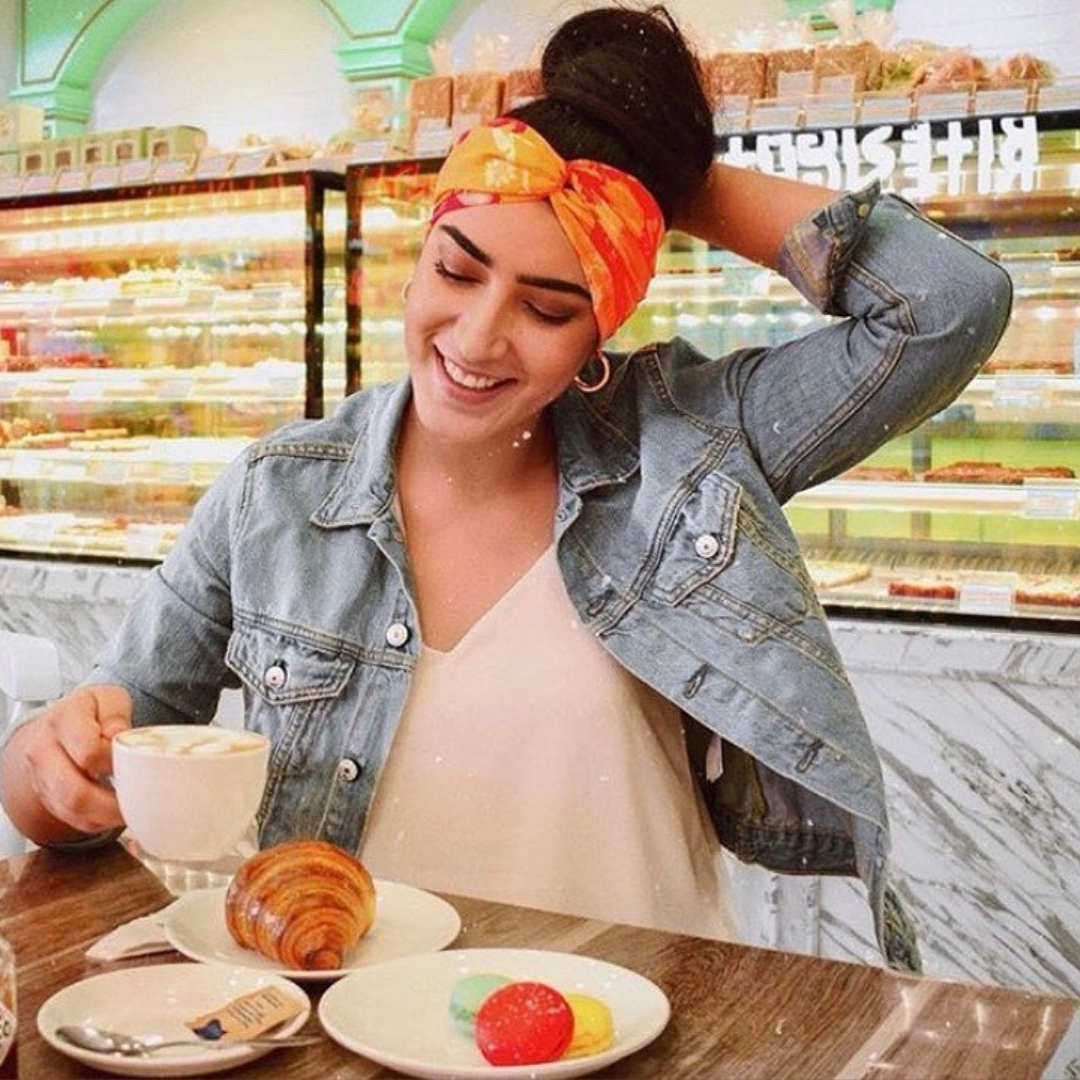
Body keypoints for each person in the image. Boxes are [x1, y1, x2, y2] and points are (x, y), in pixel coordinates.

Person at [0, 4, 1010, 969]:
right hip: (356, 1024)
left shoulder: (690, 442)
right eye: (458, 269)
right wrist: (49, 772)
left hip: (647, 1020)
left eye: (548, 305)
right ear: (415, 262)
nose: (478, 338)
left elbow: (949, 304)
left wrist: (666, 176)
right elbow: (83, 771)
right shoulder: (274, 498)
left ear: (596, 337)